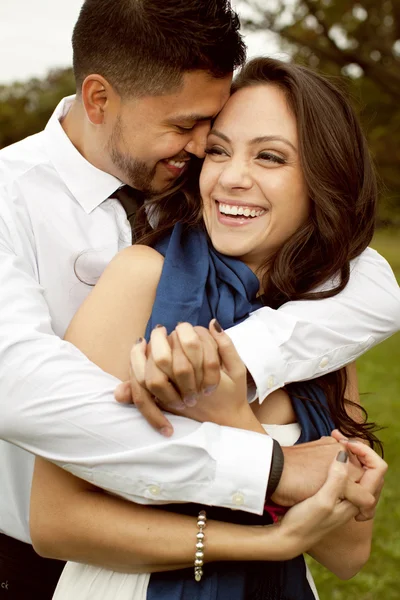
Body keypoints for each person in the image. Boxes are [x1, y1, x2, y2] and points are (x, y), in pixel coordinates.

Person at [0, 0, 398, 597]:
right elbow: (19, 388)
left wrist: (232, 369)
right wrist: (271, 473)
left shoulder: (312, 312)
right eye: (199, 134)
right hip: (41, 555)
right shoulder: (30, 209)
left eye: (211, 133)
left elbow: (370, 285)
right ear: (99, 100)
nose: (206, 155)